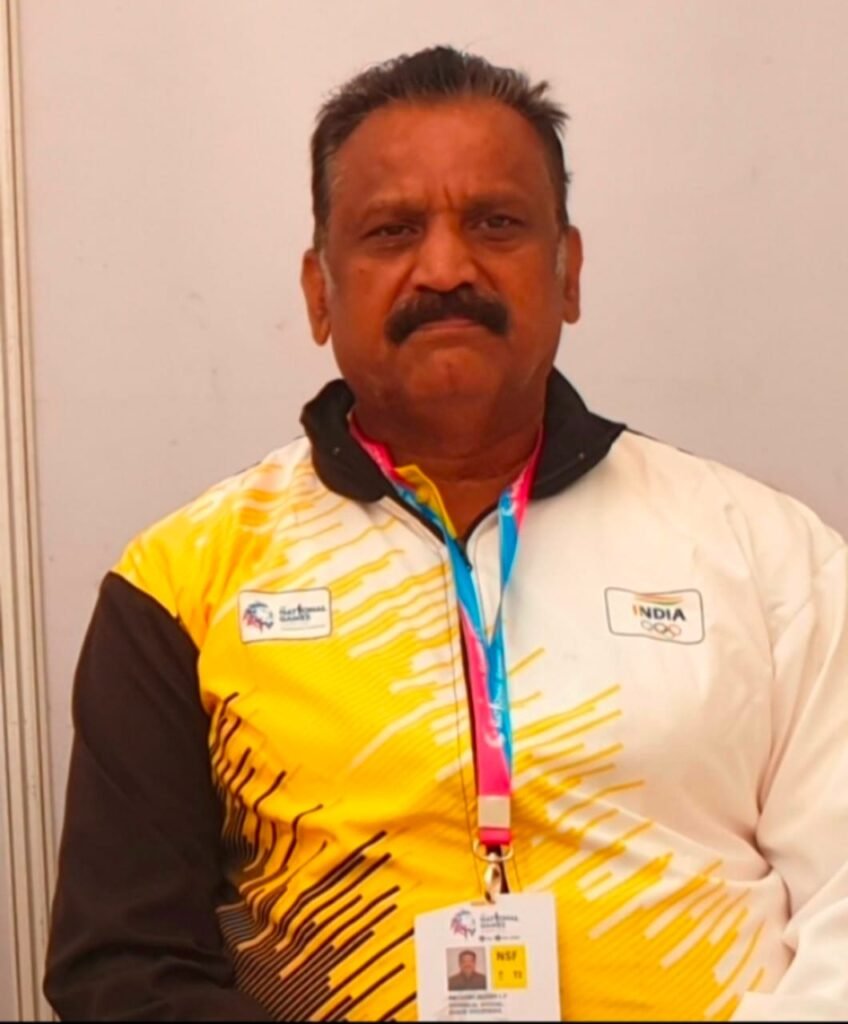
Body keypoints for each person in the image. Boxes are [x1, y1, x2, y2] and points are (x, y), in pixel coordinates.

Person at [43, 45, 847, 1022]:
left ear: (569, 272)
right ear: (318, 291)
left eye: (496, 223)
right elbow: (123, 970)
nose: (445, 267)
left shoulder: (767, 556)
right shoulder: (183, 583)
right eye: (392, 231)